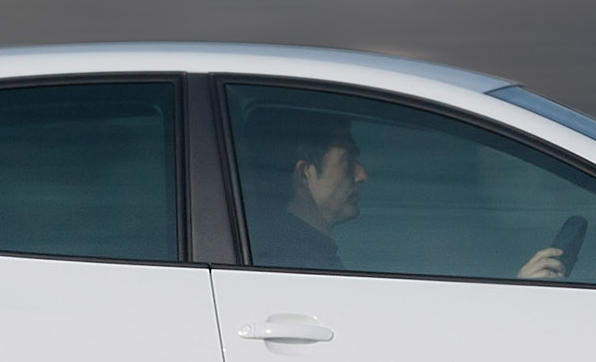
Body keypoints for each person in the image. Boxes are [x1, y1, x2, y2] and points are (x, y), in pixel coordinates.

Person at [243, 107, 568, 279]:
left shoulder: (290, 253)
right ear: (305, 173)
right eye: (347, 162)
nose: (363, 175)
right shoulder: (294, 266)